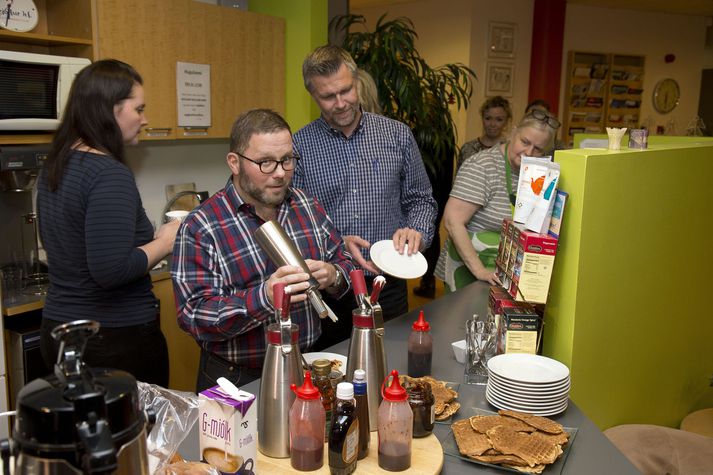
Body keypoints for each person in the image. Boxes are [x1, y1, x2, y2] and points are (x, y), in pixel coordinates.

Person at [171, 109, 354, 392]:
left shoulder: (305, 205)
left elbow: (344, 262)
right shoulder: (202, 226)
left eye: (287, 160)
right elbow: (193, 316)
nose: (280, 173)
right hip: (238, 380)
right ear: (234, 162)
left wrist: (333, 274)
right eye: (266, 163)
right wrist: (264, 297)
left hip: (307, 364)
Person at [37, 59, 177, 386]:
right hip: (113, 339)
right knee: (135, 436)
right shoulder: (108, 174)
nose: (145, 119)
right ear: (112, 110)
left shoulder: (56, 165)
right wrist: (166, 241)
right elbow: (110, 270)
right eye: (138, 109)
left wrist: (148, 244)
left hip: (60, 331)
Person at [292, 45, 437, 349]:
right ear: (312, 96)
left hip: (390, 282)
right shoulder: (299, 147)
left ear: (357, 82)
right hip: (331, 288)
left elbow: (421, 199)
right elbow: (294, 222)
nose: (341, 103)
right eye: (328, 97)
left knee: (390, 364)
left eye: (346, 90)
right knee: (332, 375)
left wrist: (417, 233)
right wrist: (335, 245)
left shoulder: (396, 135)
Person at [435, 109, 560, 291]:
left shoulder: (540, 173)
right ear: (513, 133)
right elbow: (452, 221)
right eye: (524, 142)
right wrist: (479, 270)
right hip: (471, 267)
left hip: (509, 268)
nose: (529, 152)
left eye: (538, 148)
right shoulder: (482, 166)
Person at [456, 96, 512, 169]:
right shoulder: (468, 148)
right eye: (488, 118)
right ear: (482, 118)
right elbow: (459, 178)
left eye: (499, 119)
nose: (492, 124)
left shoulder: (511, 150)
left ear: (506, 122)